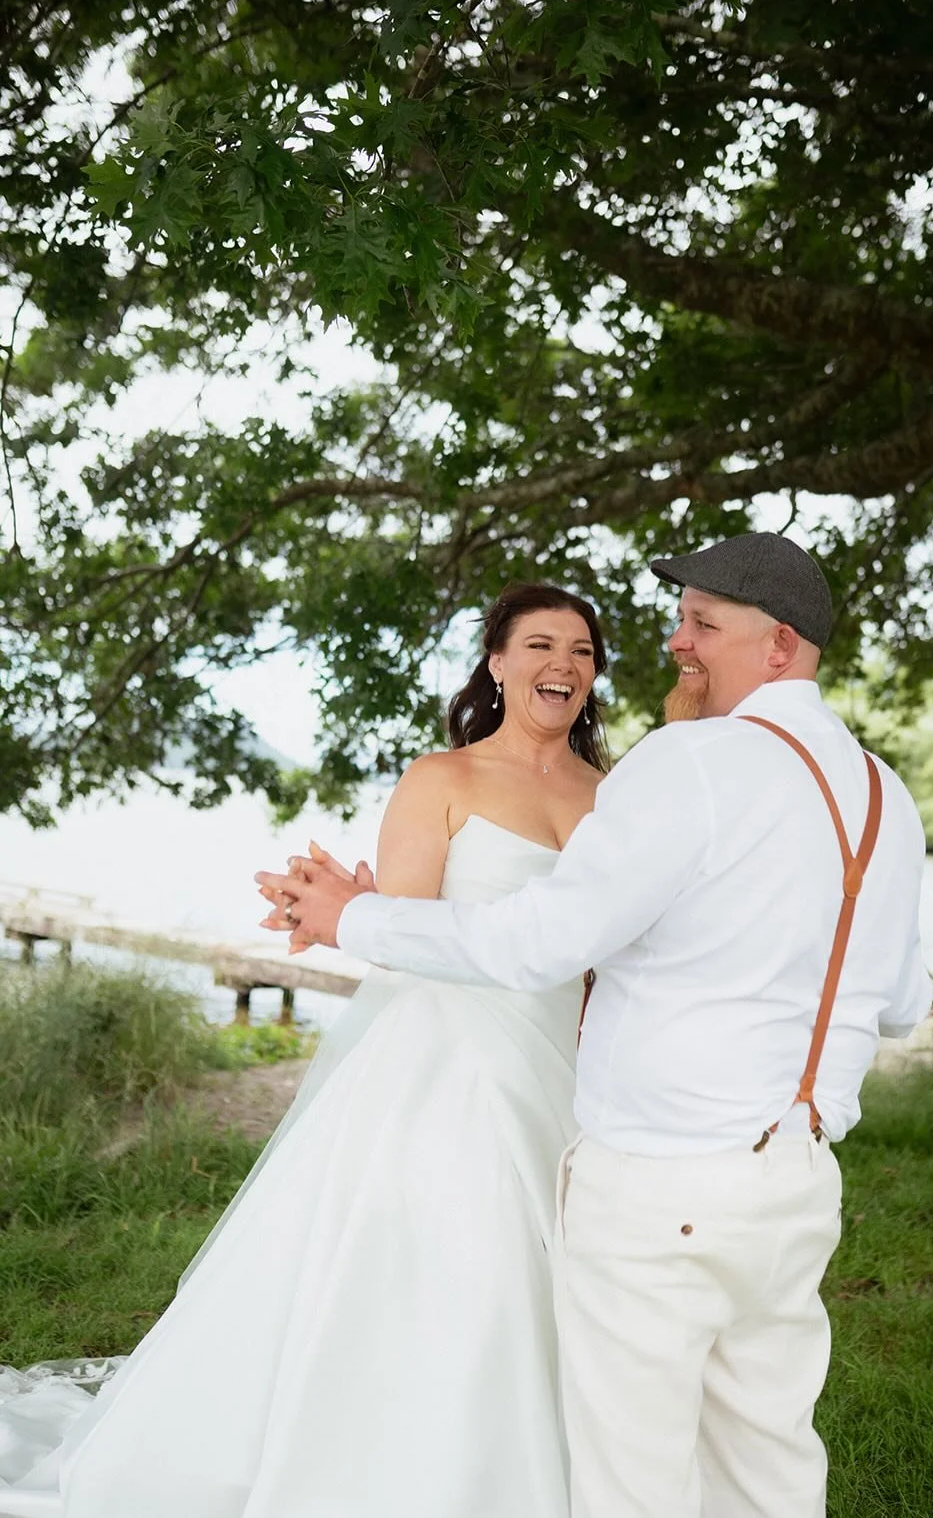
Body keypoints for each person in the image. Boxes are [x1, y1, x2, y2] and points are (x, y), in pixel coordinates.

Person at [258, 531, 933, 1518]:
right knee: (769, 1463)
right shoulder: (883, 795)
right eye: (678, 620)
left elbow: (540, 943)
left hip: (663, 1187)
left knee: (634, 1479)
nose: (678, 643)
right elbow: (902, 1001)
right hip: (797, 1181)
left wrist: (351, 918)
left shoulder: (689, 763)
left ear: (779, 645)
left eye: (703, 623)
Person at [0, 581, 609, 1518]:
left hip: (562, 1064)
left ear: (593, 673)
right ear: (496, 662)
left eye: (578, 648)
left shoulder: (612, 796)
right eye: (538, 644)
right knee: (457, 1248)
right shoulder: (440, 779)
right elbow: (395, 928)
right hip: (451, 1056)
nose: (560, 664)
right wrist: (345, 910)